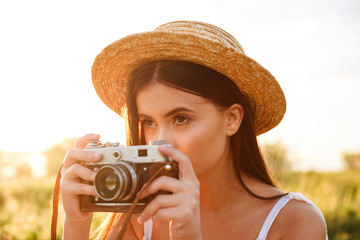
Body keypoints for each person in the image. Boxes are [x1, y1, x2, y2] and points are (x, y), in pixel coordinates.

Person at [60, 21, 328, 239]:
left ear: (232, 119)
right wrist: (76, 225)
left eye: (181, 119)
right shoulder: (138, 215)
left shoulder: (294, 221)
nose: (161, 142)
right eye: (149, 123)